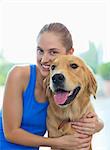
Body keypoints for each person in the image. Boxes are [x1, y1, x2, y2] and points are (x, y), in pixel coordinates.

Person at [0, 22, 104, 150]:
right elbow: (11, 133)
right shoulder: (18, 75)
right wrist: (59, 142)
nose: (44, 59)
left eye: (53, 52)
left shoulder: (66, 87)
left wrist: (98, 124)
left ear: (70, 53)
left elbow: (87, 108)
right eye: (40, 51)